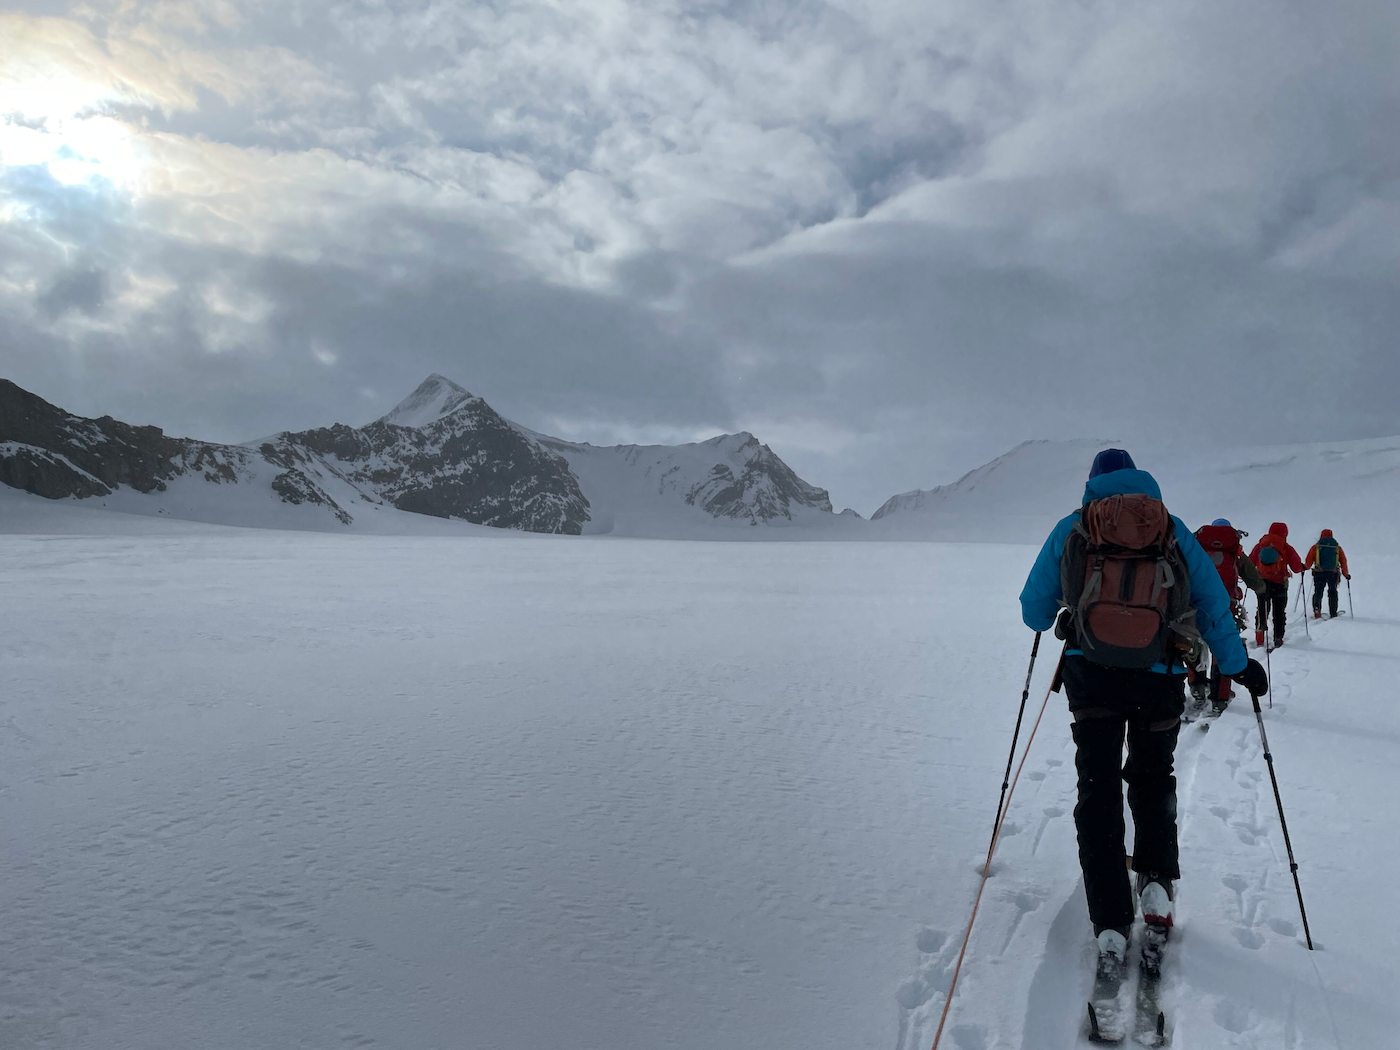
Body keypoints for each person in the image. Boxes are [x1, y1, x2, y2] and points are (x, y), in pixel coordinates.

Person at [1019, 449, 1268, 973]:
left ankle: (1110, 920)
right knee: (1154, 778)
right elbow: (1212, 604)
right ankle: (1155, 886)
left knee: (1098, 789)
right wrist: (1237, 665)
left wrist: (1069, 608)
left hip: (1091, 678)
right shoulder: (1171, 529)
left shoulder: (1073, 527)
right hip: (1160, 675)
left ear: (1093, 482)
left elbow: (1033, 611)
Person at [1188, 519, 1266, 714]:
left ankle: (1197, 687)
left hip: (1193, 605)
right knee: (1223, 649)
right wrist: (1262, 589)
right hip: (1225, 606)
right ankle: (1220, 698)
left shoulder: (1196, 548)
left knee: (1194, 645)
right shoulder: (1234, 551)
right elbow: (1255, 581)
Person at [1248, 523, 1303, 649]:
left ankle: (1259, 635)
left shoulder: (1260, 545)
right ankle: (1278, 638)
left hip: (1262, 583)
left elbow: (1250, 562)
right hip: (1280, 584)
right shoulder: (1286, 547)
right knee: (1279, 612)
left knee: (1262, 608)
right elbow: (1296, 567)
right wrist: (1302, 567)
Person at [1303, 529, 1350, 619]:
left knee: (1318, 592)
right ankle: (1333, 612)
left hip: (1319, 573)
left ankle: (1317, 611)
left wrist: (1305, 567)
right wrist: (1346, 575)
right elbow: (1343, 562)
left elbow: (1308, 561)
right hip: (1333, 573)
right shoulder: (1337, 548)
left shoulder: (1316, 547)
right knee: (1333, 592)